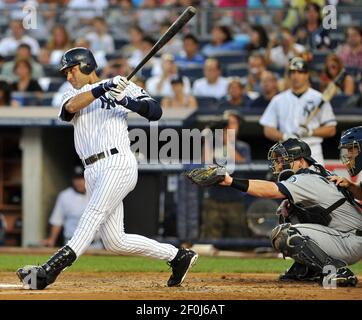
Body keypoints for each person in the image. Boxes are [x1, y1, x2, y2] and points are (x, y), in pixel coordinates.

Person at [16, 47, 198, 290]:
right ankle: (178, 257)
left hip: (118, 163)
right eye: (66, 72)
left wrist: (126, 100)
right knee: (115, 241)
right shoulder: (72, 93)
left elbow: (155, 112)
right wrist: (103, 88)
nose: (68, 76)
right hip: (92, 169)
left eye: (71, 70)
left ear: (87, 66)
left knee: (92, 214)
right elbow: (70, 108)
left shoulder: (124, 87)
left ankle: (49, 271)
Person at [205, 138, 361, 287]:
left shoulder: (307, 178)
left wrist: (230, 181)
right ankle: (306, 269)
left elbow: (271, 190)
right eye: (278, 161)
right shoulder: (315, 174)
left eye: (283, 161)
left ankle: (338, 271)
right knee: (287, 211)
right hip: (343, 237)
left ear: (300, 162)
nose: (279, 165)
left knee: (285, 234)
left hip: (350, 239)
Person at [259, 57, 337, 165]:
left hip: (312, 151)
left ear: (306, 75)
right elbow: (268, 129)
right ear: (289, 75)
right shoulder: (278, 99)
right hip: (287, 152)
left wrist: (310, 132)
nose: (296, 76)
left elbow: (331, 129)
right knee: (286, 182)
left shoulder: (318, 98)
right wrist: (285, 136)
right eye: (293, 72)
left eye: (300, 72)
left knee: (316, 182)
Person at [42, 166, 103, 249]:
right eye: (76, 179)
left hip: (95, 245)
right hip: (71, 244)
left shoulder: (97, 193)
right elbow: (57, 220)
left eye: (82, 178)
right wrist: (52, 240)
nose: (79, 182)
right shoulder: (65, 196)